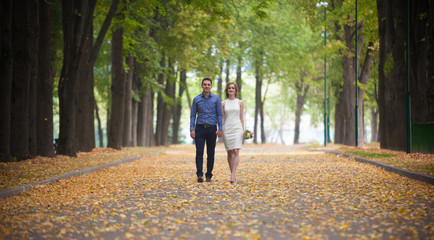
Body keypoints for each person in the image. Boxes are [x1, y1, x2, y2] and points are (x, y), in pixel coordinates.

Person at [190, 78, 223, 183]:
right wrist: (191, 129)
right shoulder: (196, 99)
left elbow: (219, 114)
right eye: (205, 84)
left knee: (211, 153)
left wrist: (220, 128)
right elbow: (193, 115)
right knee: (199, 152)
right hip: (199, 128)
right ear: (202, 86)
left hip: (212, 128)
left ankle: (209, 175)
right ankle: (199, 174)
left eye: (208, 84)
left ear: (211, 86)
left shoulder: (216, 99)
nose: (206, 86)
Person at [221, 82, 245, 184]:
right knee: (230, 152)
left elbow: (241, 117)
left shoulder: (240, 102)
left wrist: (244, 130)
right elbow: (222, 117)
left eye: (233, 88)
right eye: (229, 88)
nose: (231, 89)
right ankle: (232, 174)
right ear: (227, 90)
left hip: (237, 128)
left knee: (236, 151)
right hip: (227, 129)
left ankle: (233, 174)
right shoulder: (223, 103)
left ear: (235, 90)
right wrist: (220, 129)